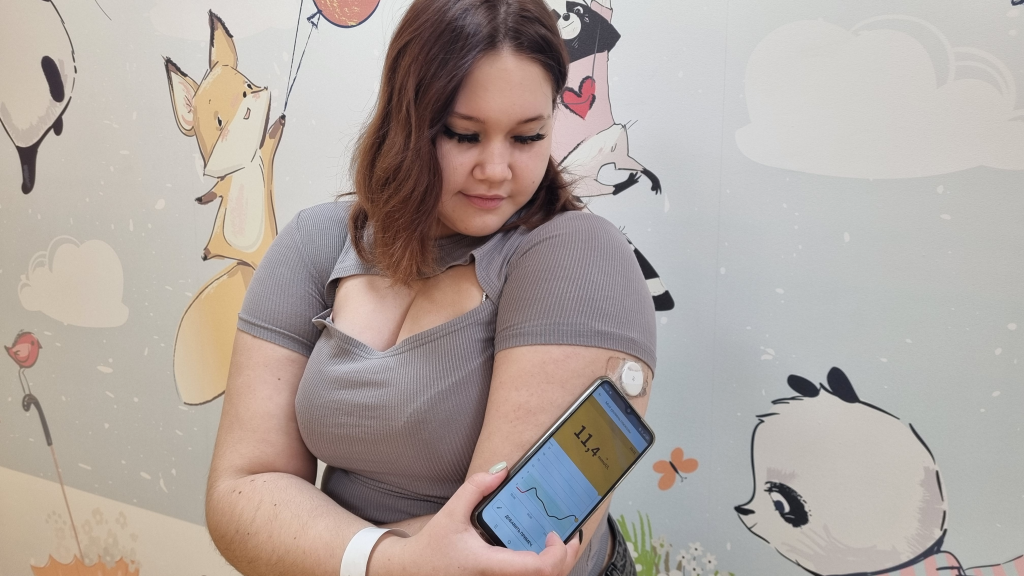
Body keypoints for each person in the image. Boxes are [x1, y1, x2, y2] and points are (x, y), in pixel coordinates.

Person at [204, 0, 656, 575]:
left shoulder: (578, 257)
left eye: (528, 137)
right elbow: (240, 492)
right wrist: (395, 562)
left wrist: (314, 544)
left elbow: (502, 551)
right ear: (404, 118)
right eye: (464, 135)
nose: (496, 169)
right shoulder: (316, 241)